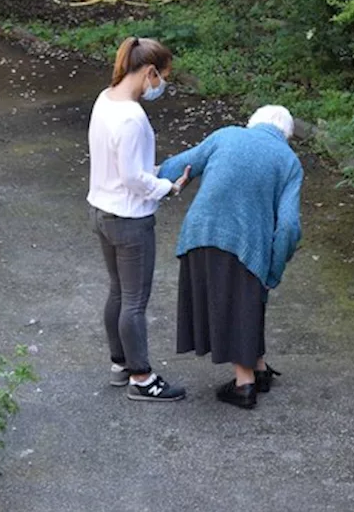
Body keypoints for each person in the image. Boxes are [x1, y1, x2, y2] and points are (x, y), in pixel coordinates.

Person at [157, 105, 303, 409]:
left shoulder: (226, 135)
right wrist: (273, 271)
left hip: (201, 233)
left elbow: (177, 167)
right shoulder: (289, 161)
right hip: (250, 244)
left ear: (253, 123)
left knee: (240, 302)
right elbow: (288, 226)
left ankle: (257, 369)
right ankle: (245, 383)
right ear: (287, 135)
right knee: (245, 300)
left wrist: (141, 179)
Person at [87, 36, 190, 402]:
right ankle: (142, 378)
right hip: (130, 220)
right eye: (161, 77)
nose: (160, 85)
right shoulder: (131, 117)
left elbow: (123, 166)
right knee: (134, 301)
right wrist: (168, 187)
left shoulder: (106, 99)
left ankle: (121, 364)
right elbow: (133, 178)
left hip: (102, 211)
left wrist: (157, 172)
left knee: (118, 291)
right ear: (149, 72)